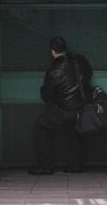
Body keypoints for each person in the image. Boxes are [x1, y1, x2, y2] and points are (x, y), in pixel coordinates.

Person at [30, 36, 84, 175]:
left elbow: (46, 97)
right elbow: (87, 74)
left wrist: (44, 90)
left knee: (39, 128)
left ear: (53, 51)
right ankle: (75, 166)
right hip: (78, 107)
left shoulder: (54, 71)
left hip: (63, 109)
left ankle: (46, 166)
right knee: (74, 132)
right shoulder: (77, 62)